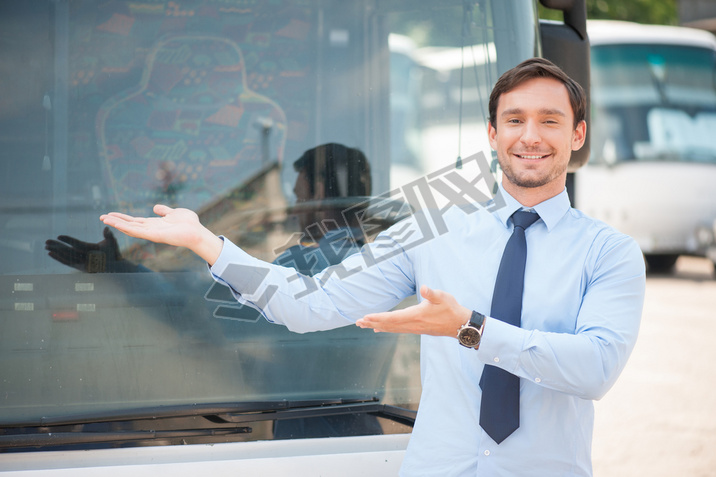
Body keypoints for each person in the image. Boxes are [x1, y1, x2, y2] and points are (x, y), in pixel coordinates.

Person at [100, 58, 646, 476]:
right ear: (492, 134)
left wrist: (472, 328)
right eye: (515, 119)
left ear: (577, 135)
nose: (531, 135)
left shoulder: (610, 253)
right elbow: (309, 305)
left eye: (550, 121)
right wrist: (208, 243)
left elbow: (595, 368)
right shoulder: (432, 230)